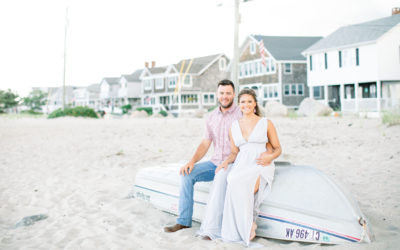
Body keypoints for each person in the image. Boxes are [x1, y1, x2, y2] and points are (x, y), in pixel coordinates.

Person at [163, 80, 273, 233]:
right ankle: (183, 221)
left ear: (233, 94)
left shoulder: (242, 112)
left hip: (236, 163)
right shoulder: (211, 116)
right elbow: (205, 142)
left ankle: (224, 224)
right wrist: (192, 162)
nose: (225, 96)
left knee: (224, 178)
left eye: (228, 93)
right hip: (214, 163)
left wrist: (267, 158)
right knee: (187, 175)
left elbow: (260, 136)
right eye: (222, 93)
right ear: (217, 94)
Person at [199, 89, 282, 246]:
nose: (246, 105)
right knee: (231, 178)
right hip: (241, 163)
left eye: (249, 101)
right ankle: (243, 226)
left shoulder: (266, 123)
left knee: (240, 183)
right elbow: (234, 152)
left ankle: (250, 223)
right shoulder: (234, 126)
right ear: (239, 105)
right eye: (243, 102)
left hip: (260, 163)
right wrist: (225, 162)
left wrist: (270, 157)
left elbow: (278, 148)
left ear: (255, 104)